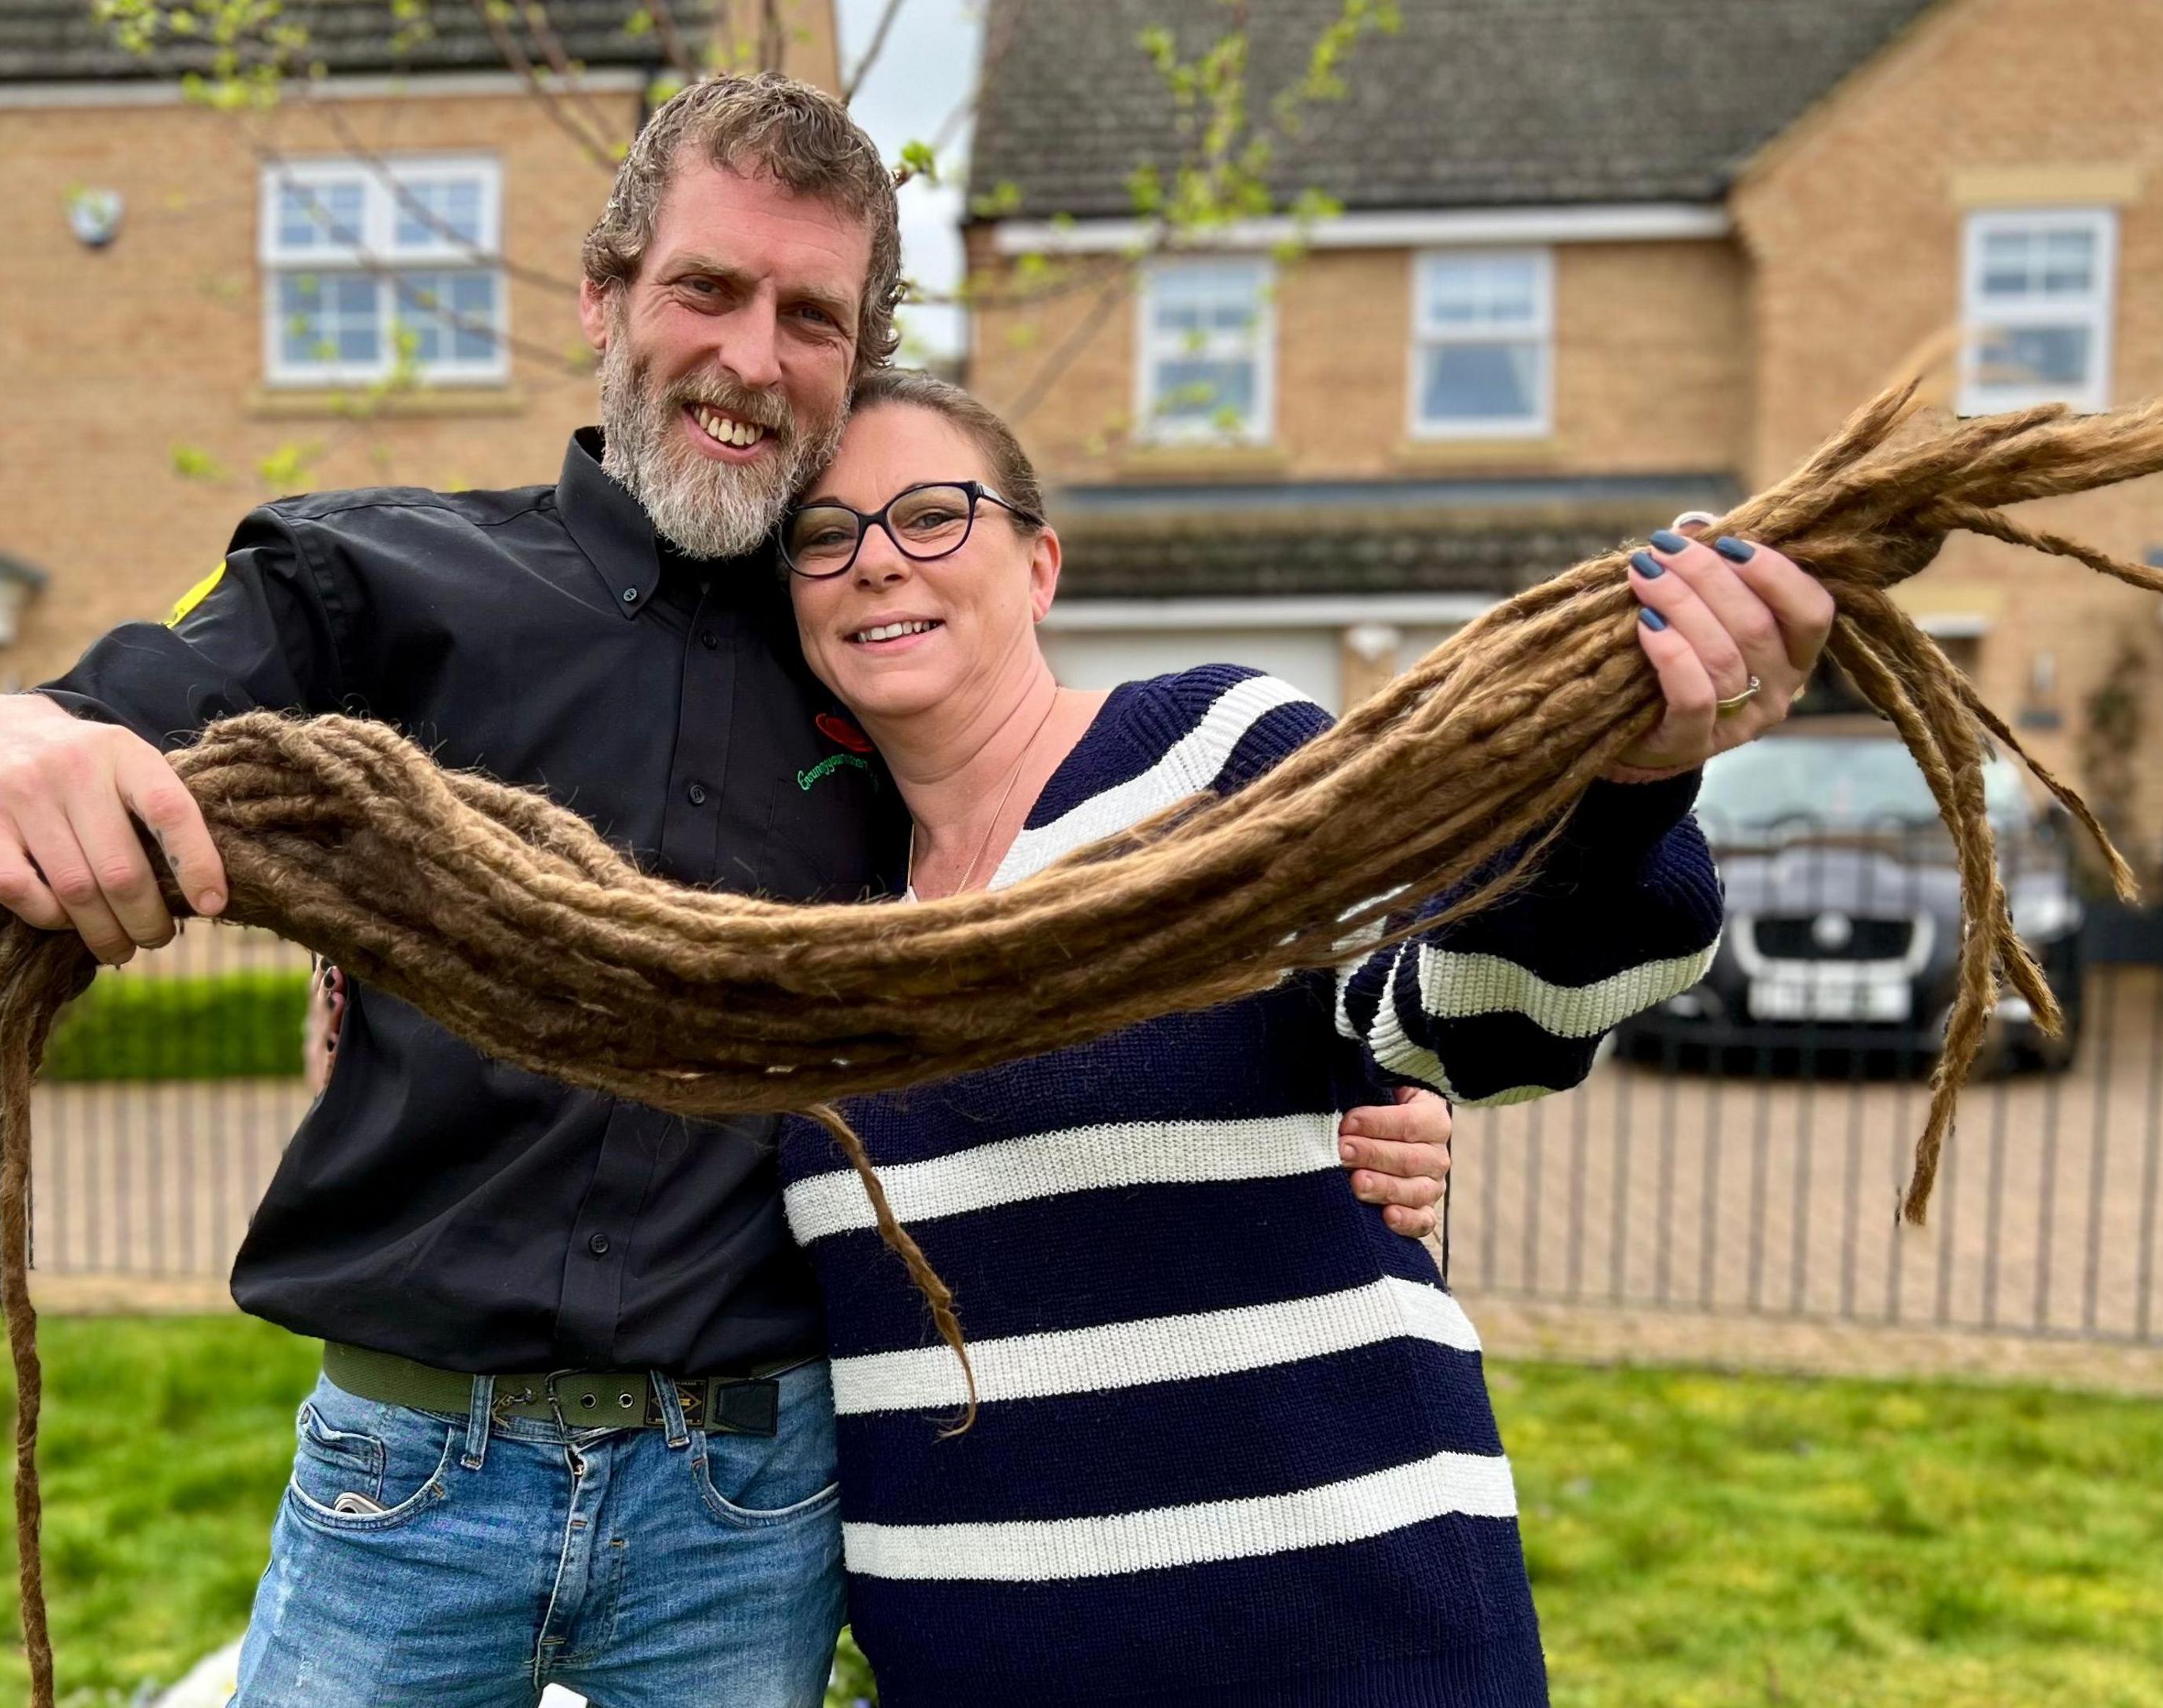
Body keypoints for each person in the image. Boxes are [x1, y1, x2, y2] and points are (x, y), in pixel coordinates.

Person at [0, 74, 1454, 1708]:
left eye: (811, 316)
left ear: (858, 355)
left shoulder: (876, 656)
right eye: (707, 288)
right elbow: (74, 728)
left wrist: (1347, 1102)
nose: (753, 356)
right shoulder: (371, 578)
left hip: (748, 1511)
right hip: (410, 1482)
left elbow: (1052, 952)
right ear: (604, 294)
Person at [767, 369, 1828, 1706]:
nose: (874, 563)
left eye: (931, 515)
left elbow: (1462, 988)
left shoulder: (1220, 755)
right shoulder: (819, 931)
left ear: (1039, 567)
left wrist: (1617, 796)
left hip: (1340, 1647)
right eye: (826, 534)